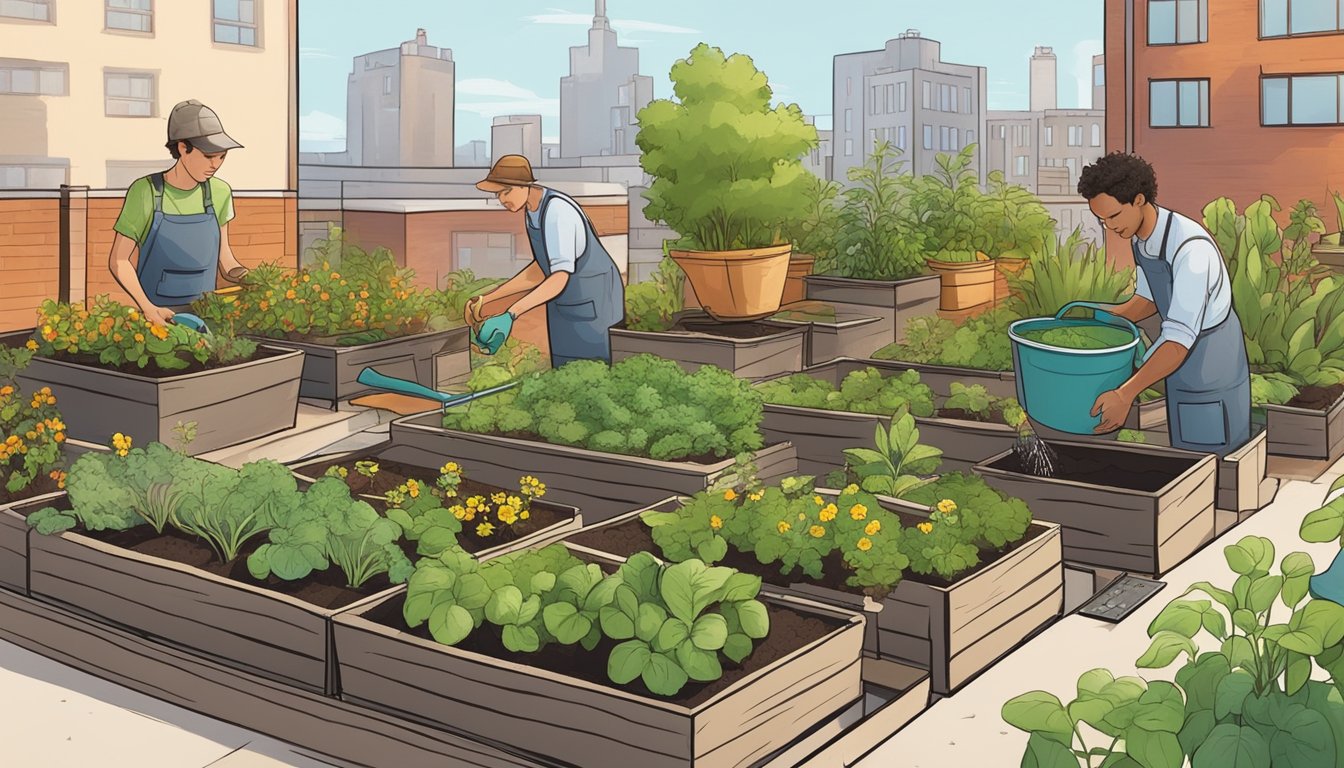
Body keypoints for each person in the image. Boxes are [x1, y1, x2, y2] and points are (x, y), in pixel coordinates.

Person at [1079, 151, 1250, 456]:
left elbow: (1177, 341)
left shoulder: (1191, 249)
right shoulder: (1141, 238)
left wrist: (1125, 393)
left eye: (1114, 216)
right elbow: (1146, 302)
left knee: (1214, 454)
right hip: (1178, 361)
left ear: (1140, 200)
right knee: (1185, 452)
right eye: (1102, 220)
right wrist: (1094, 320)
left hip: (1210, 359)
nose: (1109, 227)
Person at [468, 154, 624, 368]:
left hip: (593, 302)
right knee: (563, 367)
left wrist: (510, 314)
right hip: (565, 304)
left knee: (591, 370)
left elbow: (559, 277)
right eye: (498, 194)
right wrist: (487, 299)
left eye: (506, 191)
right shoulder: (532, 211)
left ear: (526, 186)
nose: (502, 199)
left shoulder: (557, 213)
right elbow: (541, 270)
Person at [109, 99, 249, 326]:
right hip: (159, 317)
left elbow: (226, 260)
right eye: (208, 156)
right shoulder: (146, 191)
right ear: (183, 148)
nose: (216, 164)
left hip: (207, 316)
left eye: (222, 156)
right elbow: (119, 260)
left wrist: (250, 278)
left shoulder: (220, 192)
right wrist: (147, 308)